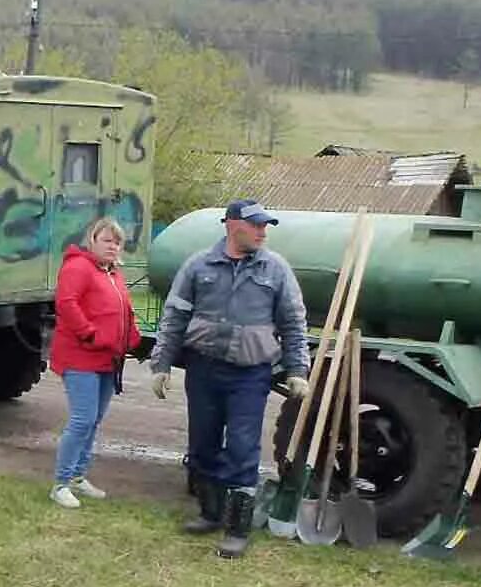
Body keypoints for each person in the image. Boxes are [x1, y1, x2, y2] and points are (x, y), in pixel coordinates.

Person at [149, 198, 310, 558]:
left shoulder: (275, 269)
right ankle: (210, 513)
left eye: (265, 225)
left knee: (242, 448)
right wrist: (161, 365)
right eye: (256, 225)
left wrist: (298, 369)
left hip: (250, 376)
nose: (262, 232)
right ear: (233, 225)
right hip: (204, 370)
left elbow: (293, 323)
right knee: (203, 444)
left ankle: (238, 529)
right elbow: (174, 317)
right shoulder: (199, 265)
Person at [48, 217, 141, 508]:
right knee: (83, 419)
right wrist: (89, 334)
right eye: (107, 240)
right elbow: (67, 304)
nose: (113, 246)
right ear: (93, 241)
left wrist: (132, 337)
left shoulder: (112, 273)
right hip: (80, 357)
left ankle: (78, 475)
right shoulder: (78, 267)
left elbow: (124, 309)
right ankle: (61, 483)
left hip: (107, 358)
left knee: (94, 421)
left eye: (117, 242)